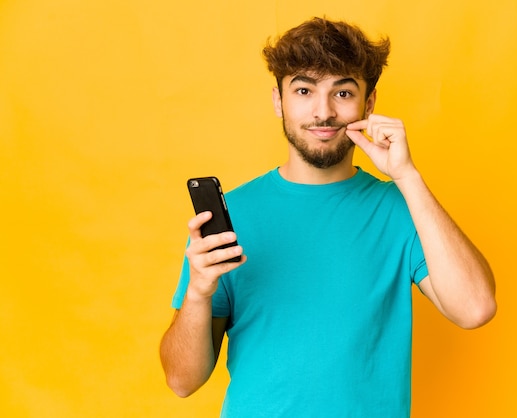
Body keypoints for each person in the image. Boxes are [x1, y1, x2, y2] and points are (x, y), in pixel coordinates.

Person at [160, 17, 496, 417]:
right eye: (304, 90)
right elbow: (182, 381)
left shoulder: (400, 208)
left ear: (368, 105)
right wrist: (198, 293)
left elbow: (475, 308)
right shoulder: (231, 217)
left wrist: (407, 177)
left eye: (343, 92)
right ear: (278, 101)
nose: (323, 111)